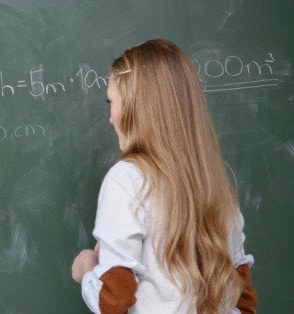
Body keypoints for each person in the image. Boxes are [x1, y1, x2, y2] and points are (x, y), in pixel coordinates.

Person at [71, 39, 258, 313]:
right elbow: (244, 295)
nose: (110, 118)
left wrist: (87, 268)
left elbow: (114, 300)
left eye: (112, 102)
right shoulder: (214, 181)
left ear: (136, 109)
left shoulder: (127, 179)